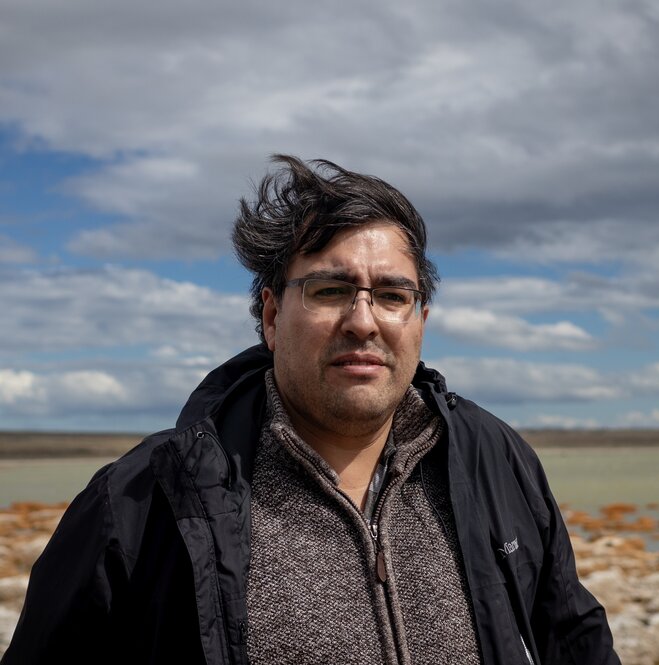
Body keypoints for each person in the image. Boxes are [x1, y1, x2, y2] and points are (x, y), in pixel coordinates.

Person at [2, 156, 620, 665]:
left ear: (420, 322)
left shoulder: (496, 460)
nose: (363, 321)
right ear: (271, 317)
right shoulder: (143, 501)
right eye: (329, 290)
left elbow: (574, 639)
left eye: (391, 295)